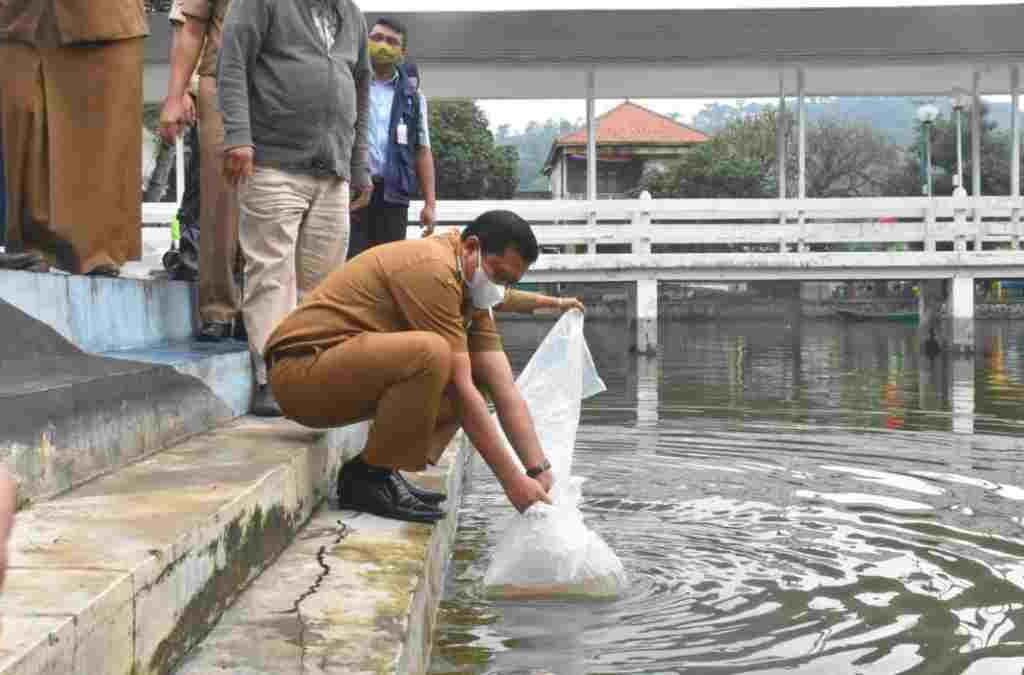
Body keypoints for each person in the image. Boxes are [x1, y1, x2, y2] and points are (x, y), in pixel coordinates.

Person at [265, 210, 585, 523]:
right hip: (300, 376)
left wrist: (538, 470)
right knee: (432, 353)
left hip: (337, 376)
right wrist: (513, 484)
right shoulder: (432, 269)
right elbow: (461, 392)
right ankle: (369, 477)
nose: (499, 290)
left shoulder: (473, 291)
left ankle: (379, 470)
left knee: (479, 375)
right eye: (498, 276)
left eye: (508, 283)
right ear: (471, 246)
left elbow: (504, 389)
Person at [218, 0, 373, 416]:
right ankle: (274, 378)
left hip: (332, 169)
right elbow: (231, 63)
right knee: (271, 272)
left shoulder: (352, 16)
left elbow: (361, 89)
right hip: (271, 160)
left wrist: (359, 163)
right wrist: (237, 137)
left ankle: (311, 378)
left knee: (324, 283)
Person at [0, 1, 146, 276]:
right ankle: (29, 243)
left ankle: (98, 249)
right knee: (24, 124)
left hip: (104, 23)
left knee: (101, 143)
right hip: (21, 21)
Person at [159, 0, 244, 342]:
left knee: (271, 202)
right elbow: (190, 27)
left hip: (279, 87)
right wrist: (176, 95)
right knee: (219, 201)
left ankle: (257, 309)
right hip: (220, 81)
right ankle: (218, 309)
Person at [347, 17, 437, 259]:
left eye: (391, 41)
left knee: (387, 268)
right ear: (365, 43)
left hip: (393, 196)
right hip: (352, 192)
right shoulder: (348, 83)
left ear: (402, 52)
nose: (383, 45)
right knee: (350, 266)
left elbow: (422, 150)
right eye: (376, 38)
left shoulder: (413, 97)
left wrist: (430, 204)